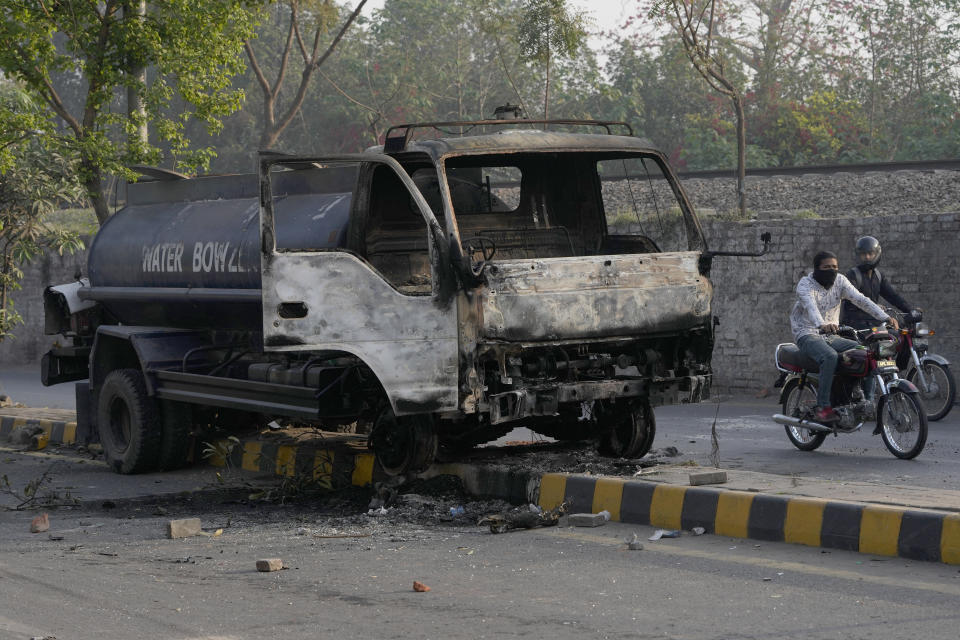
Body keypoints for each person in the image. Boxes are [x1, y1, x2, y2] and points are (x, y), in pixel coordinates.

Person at [790, 250, 899, 423]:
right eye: (826, 267)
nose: (832, 270)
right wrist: (821, 324)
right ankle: (823, 407)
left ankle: (863, 400)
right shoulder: (805, 284)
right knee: (829, 356)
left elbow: (861, 299)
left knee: (866, 353)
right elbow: (810, 306)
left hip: (832, 334)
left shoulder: (840, 281)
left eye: (835, 267)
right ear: (817, 268)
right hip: (807, 333)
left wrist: (884, 317)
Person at [840, 236, 917, 402]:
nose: (867, 257)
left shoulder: (878, 276)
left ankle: (893, 379)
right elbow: (855, 299)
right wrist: (878, 310)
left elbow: (893, 296)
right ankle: (868, 399)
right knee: (869, 358)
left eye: (870, 253)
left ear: (877, 254)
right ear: (858, 255)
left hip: (873, 324)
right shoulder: (852, 276)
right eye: (863, 254)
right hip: (855, 326)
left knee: (898, 337)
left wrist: (911, 310)